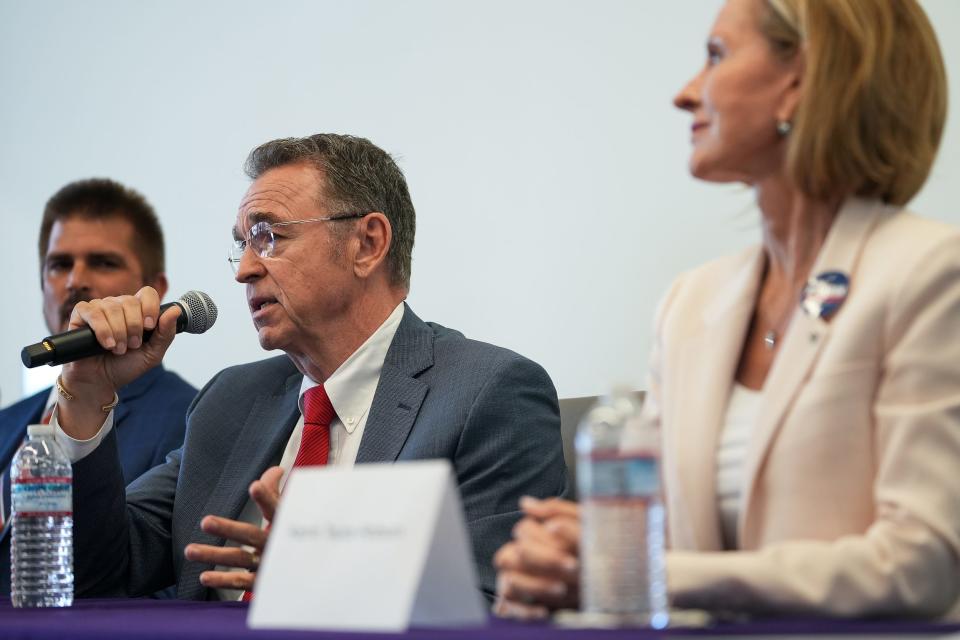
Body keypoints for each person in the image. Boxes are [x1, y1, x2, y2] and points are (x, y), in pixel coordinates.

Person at [494, 0, 960, 619]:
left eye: (716, 56)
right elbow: (653, 546)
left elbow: (920, 562)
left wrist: (660, 573)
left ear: (801, 81)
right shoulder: (690, 304)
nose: (685, 95)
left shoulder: (930, 273)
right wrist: (571, 559)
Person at [54, 134, 566, 601]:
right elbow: (93, 577)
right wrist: (86, 395)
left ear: (367, 243)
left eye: (269, 236)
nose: (246, 270)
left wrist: (312, 576)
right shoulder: (230, 400)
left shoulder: (487, 393)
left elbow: (490, 602)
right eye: (242, 243)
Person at [0, 179, 196, 596]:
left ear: (154, 291)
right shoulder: (7, 423)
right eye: (59, 265)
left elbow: (168, 583)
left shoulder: (191, 418)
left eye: (103, 263)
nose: (76, 281)